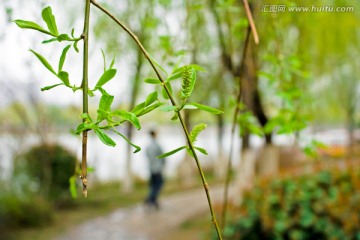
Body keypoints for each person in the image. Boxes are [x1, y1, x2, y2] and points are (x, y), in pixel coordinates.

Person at [144, 129, 166, 209]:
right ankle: (151, 199)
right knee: (158, 184)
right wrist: (163, 165)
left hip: (151, 168)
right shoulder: (157, 145)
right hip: (157, 169)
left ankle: (151, 199)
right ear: (155, 134)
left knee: (153, 185)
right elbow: (163, 156)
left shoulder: (148, 146)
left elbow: (147, 156)